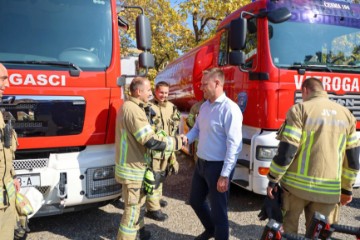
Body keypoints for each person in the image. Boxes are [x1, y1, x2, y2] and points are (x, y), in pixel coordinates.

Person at [267, 77, 360, 235]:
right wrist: (347, 190)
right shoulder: (347, 115)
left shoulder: (300, 110)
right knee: (320, 234)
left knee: (288, 233)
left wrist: (273, 179)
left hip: (295, 189)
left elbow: (287, 151)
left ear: (305, 90)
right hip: (328, 192)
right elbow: (352, 161)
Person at [115, 77, 183, 240]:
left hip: (135, 167)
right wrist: (177, 142)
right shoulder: (133, 109)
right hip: (132, 169)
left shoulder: (134, 107)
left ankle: (140, 231)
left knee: (138, 204)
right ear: (138, 92)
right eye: (148, 90)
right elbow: (149, 141)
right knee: (131, 211)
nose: (150, 94)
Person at [182, 67, 243, 240]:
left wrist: (225, 175)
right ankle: (210, 231)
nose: (201, 87)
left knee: (219, 213)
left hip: (218, 167)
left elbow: (234, 145)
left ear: (217, 83)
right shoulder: (205, 107)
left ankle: (218, 234)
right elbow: (197, 129)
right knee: (195, 200)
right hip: (201, 163)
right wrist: (185, 139)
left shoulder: (230, 109)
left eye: (204, 84)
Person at [145, 81, 180, 221]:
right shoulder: (148, 107)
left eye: (166, 93)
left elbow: (176, 125)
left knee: (162, 175)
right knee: (154, 176)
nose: (164, 95)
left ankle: (157, 199)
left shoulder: (172, 107)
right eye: (161, 92)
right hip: (155, 149)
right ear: (155, 91)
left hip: (167, 148)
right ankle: (153, 209)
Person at [0, 63, 20, 239]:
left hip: (5, 202)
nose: (6, 84)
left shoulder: (0, 114)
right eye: (2, 78)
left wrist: (12, 177)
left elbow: (5, 152)